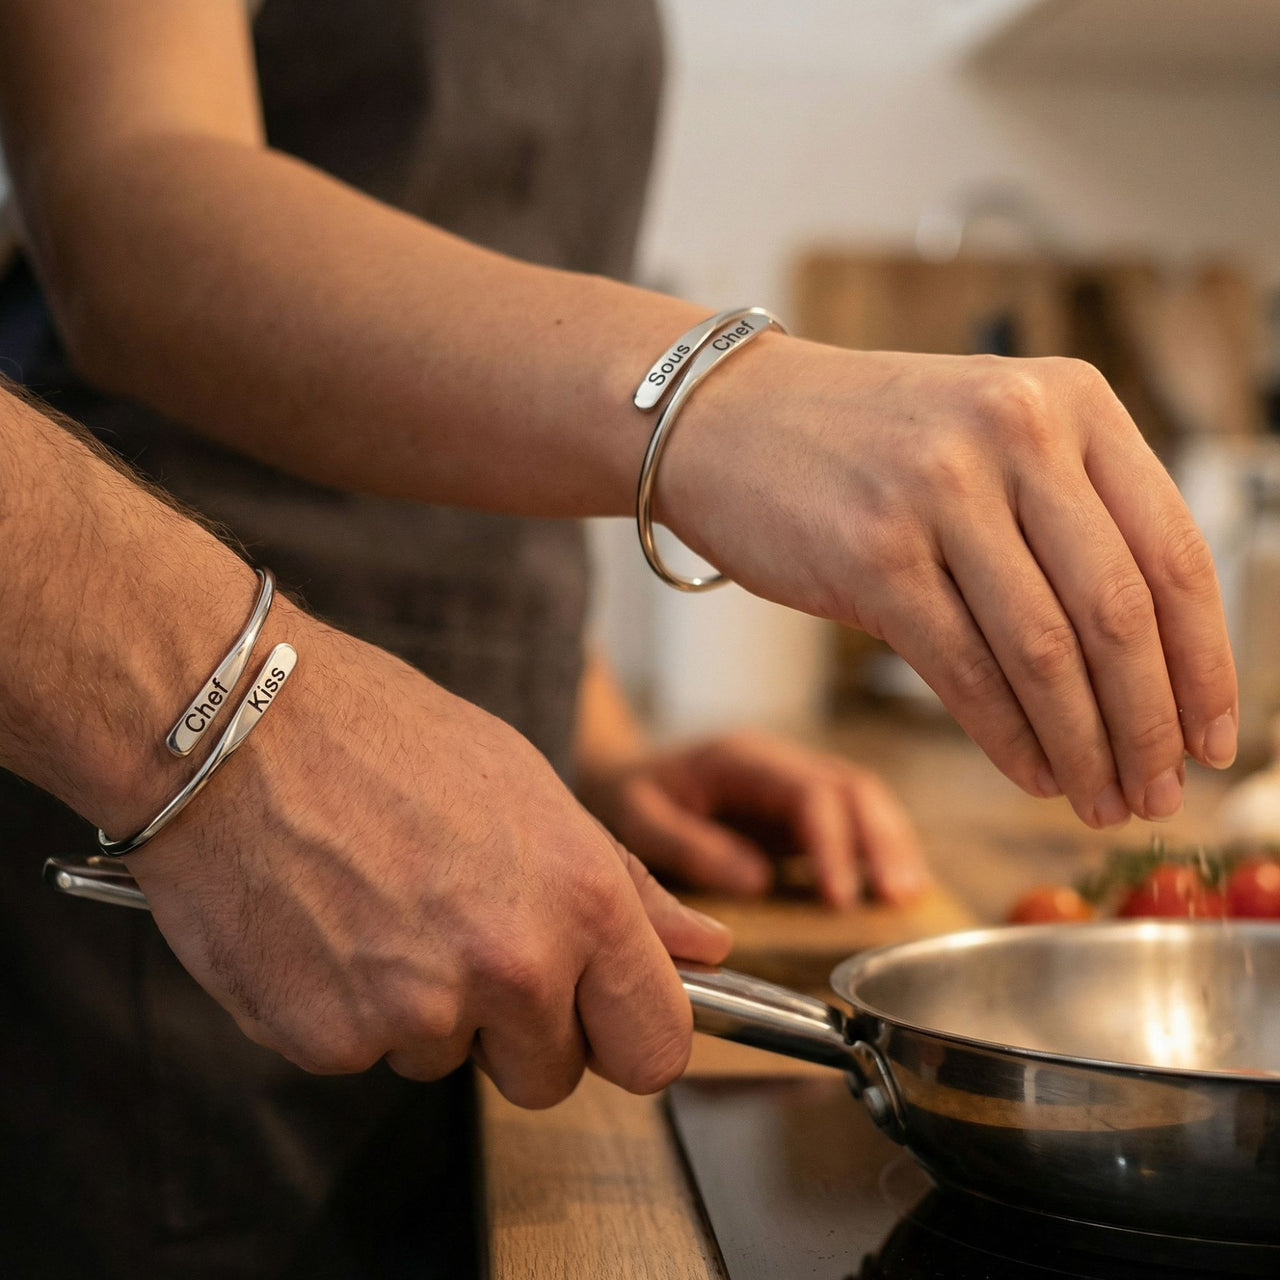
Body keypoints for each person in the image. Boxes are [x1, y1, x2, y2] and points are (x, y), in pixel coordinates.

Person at [0, 1, 1236, 1276]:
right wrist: (716, 391)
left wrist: (586, 734)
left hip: (463, 852)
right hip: (173, 836)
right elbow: (125, 200)